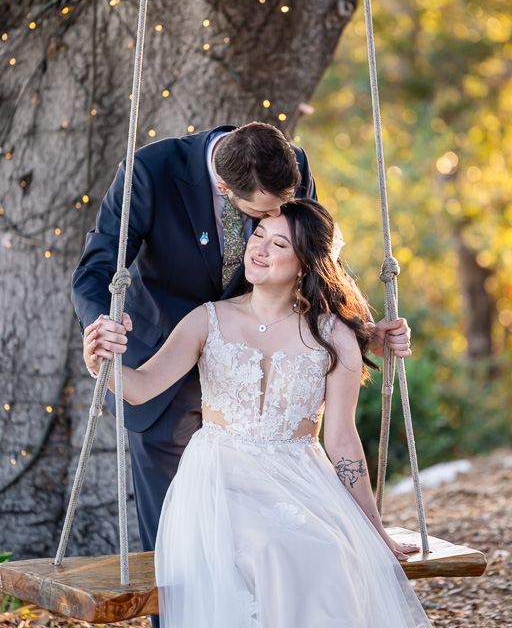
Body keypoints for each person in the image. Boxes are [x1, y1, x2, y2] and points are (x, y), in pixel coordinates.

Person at [72, 122, 411, 569]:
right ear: (223, 186)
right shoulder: (149, 171)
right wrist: (103, 335)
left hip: (269, 368)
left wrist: (359, 329)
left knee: (286, 550)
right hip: (163, 360)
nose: (263, 233)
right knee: (180, 556)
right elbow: (96, 268)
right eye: (258, 220)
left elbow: (313, 253)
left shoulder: (290, 167)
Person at [84, 198, 430, 628]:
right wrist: (101, 363)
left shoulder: (334, 336)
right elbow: (139, 389)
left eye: (278, 243)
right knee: (269, 550)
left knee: (331, 551)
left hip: (302, 480)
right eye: (259, 235)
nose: (259, 248)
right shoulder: (206, 320)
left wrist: (373, 528)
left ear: (305, 264)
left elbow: (341, 438)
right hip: (219, 479)